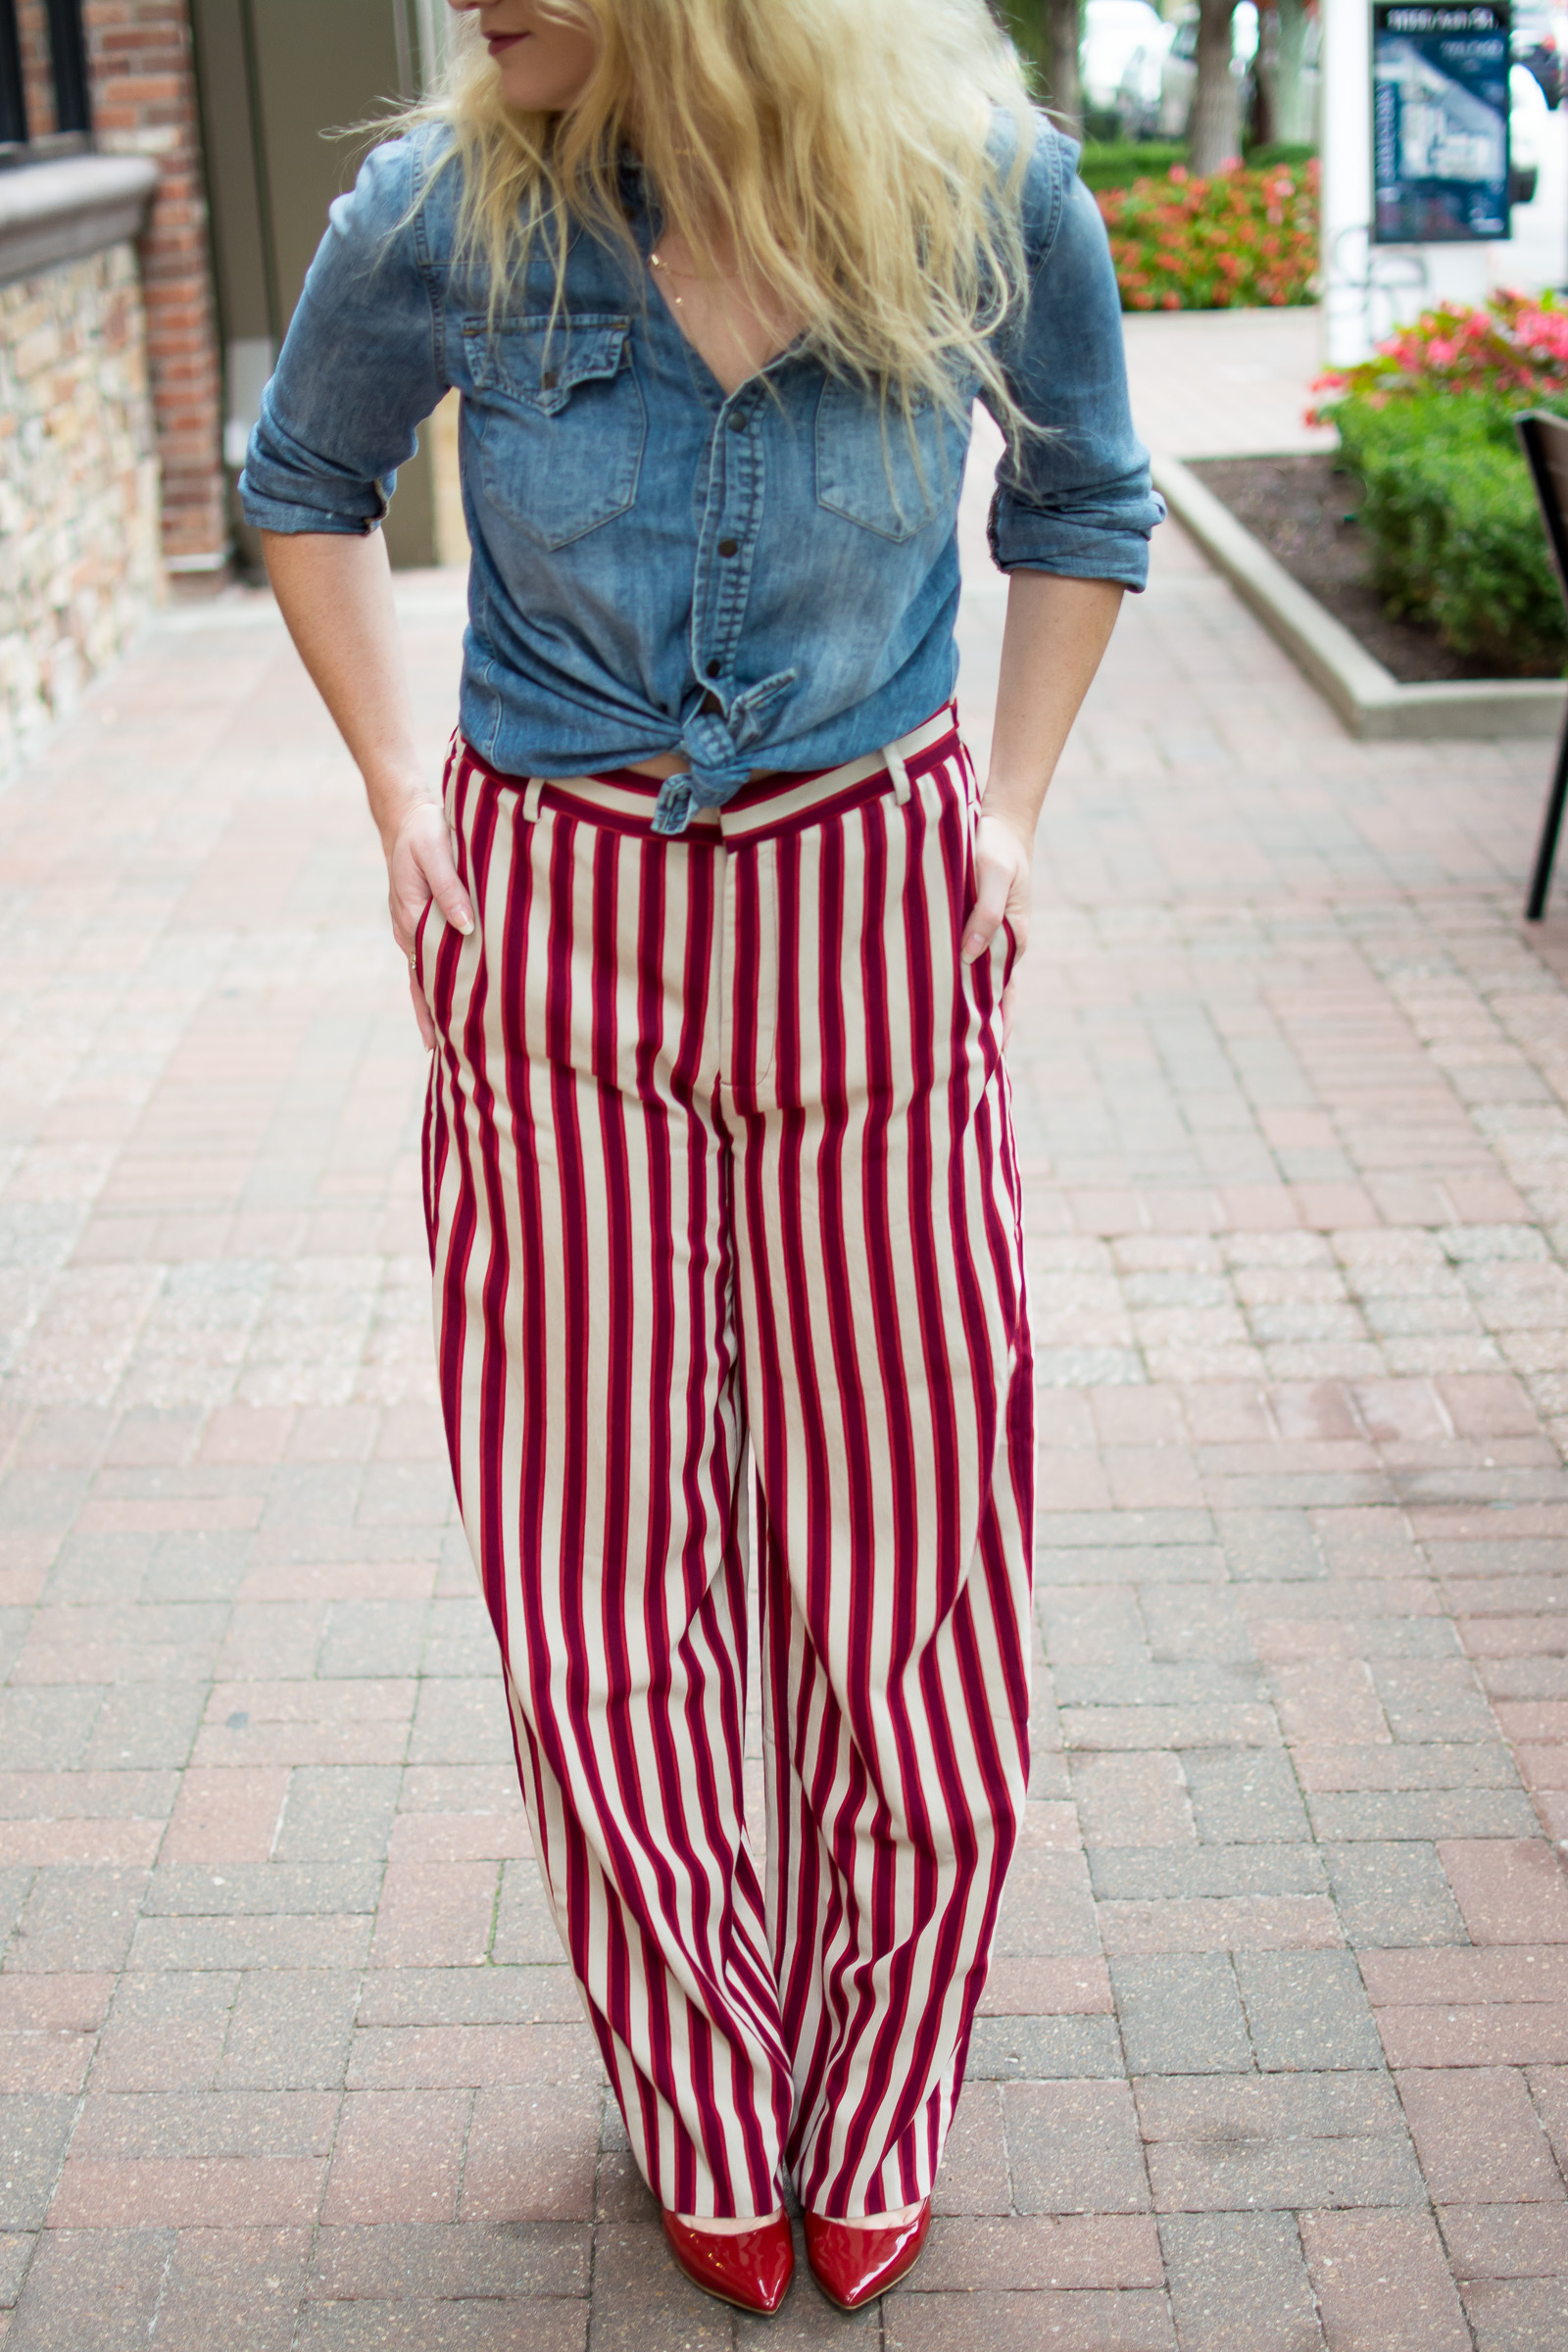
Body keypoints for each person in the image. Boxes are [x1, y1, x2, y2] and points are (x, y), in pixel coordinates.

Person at [242, 0, 1159, 2316]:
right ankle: (700, 2085)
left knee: (908, 1539)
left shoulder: (975, 183)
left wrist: (1015, 812)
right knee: (598, 1556)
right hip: (555, 925)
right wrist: (389, 795)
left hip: (872, 901)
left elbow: (1083, 494)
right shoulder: (442, 210)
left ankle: (882, 2078)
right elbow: (301, 481)